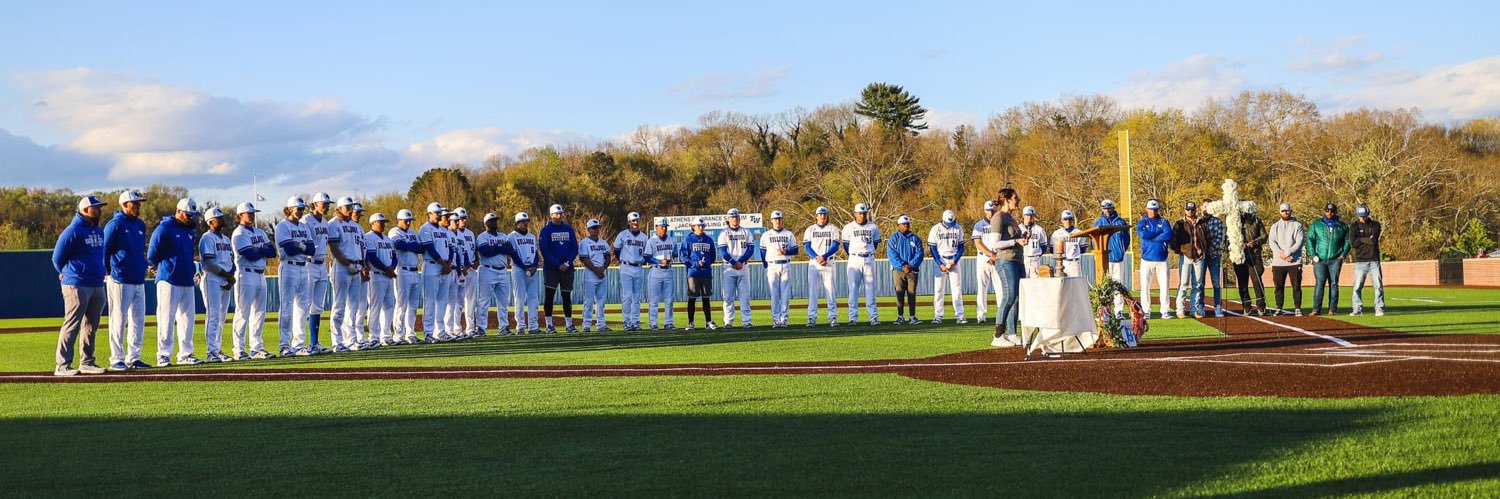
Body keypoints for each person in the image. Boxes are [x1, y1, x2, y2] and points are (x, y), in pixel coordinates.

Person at [52, 195, 109, 376]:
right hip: (76, 283)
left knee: (91, 325)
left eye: (99, 207)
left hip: (96, 283)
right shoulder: (73, 230)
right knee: (72, 324)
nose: (99, 210)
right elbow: (57, 258)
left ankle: (87, 362)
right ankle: (62, 365)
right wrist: (68, 273)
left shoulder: (99, 230)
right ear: (85, 210)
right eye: (96, 207)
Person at [147, 198, 203, 366]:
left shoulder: (190, 229)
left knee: (187, 319)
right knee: (166, 318)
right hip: (169, 279)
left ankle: (186, 354)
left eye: (192, 215)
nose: (190, 218)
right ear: (179, 211)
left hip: (186, 278)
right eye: (188, 214)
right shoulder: (165, 228)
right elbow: (152, 254)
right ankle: (163, 355)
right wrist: (162, 267)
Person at [103, 189, 149, 370]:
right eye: (135, 203)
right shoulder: (115, 224)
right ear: (124, 204)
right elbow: (104, 250)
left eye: (139, 203)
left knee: (138, 319)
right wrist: (106, 270)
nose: (138, 205)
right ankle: (116, 358)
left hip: (138, 277)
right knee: (118, 318)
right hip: (120, 277)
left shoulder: (140, 224)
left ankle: (134, 357)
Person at [230, 202, 275, 360]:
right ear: (239, 216)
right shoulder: (238, 233)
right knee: (243, 313)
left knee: (259, 313)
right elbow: (250, 254)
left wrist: (259, 249)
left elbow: (272, 252)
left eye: (252, 213)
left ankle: (256, 348)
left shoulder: (260, 231)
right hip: (245, 274)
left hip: (260, 274)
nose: (251, 215)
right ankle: (239, 349)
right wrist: (261, 250)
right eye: (248, 213)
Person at [275, 197, 315, 355]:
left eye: (302, 208)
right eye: (298, 208)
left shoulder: (305, 226)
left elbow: (312, 250)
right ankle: (284, 345)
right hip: (288, 266)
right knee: (286, 307)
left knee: (303, 307)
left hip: (303, 267)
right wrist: (300, 246)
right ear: (289, 209)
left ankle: (299, 344)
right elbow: (289, 250)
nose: (301, 211)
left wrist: (298, 244)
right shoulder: (282, 226)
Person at [198, 206, 237, 363]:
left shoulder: (226, 239)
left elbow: (231, 261)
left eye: (222, 217)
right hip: (212, 278)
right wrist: (228, 276)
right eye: (218, 218)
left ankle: (217, 349)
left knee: (221, 317)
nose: (222, 219)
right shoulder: (207, 238)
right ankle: (211, 352)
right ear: (210, 222)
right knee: (213, 315)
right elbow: (209, 263)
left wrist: (230, 277)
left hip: (224, 279)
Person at [989, 188, 1027, 347]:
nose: (1018, 200)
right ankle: (998, 335)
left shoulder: (1011, 218)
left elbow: (1014, 238)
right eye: (1015, 198)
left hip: (1017, 260)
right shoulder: (998, 218)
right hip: (1006, 261)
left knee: (1017, 298)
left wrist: (1022, 238)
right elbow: (994, 244)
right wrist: (1015, 242)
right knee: (1009, 296)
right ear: (1006, 200)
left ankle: (1012, 334)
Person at [327, 197, 364, 351]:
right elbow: (334, 249)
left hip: (356, 266)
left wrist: (360, 265)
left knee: (353, 306)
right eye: (347, 207)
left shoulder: (355, 226)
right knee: (339, 305)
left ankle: (350, 340)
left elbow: (360, 248)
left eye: (351, 207)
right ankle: (337, 341)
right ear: (339, 208)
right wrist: (348, 264)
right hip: (342, 267)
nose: (350, 209)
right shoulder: (333, 224)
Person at [301, 192, 334, 354]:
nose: (327, 206)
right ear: (314, 204)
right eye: (324, 204)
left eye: (328, 204)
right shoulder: (305, 221)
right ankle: (299, 344)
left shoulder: (326, 222)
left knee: (318, 306)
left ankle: (314, 343)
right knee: (304, 305)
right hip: (309, 264)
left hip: (322, 265)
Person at [475, 212, 518, 336]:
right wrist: (500, 247)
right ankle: (481, 328)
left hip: (502, 270)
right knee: (484, 301)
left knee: (503, 302)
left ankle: (504, 327)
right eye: (491, 221)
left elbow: (510, 250)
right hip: (487, 270)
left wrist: (495, 247)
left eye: (495, 220)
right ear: (485, 224)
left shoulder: (503, 235)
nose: (494, 223)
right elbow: (485, 252)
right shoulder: (482, 237)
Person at [539, 204, 579, 334]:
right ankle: (549, 325)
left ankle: (569, 324)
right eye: (556, 214)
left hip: (567, 268)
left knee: (566, 296)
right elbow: (544, 250)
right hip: (551, 268)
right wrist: (558, 264)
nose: (559, 216)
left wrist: (567, 263)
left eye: (560, 213)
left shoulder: (568, 229)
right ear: (551, 215)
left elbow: (574, 248)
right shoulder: (546, 230)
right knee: (549, 296)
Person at [418, 202, 455, 342]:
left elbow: (451, 248)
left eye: (440, 213)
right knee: (430, 301)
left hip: (445, 267)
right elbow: (430, 249)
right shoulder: (425, 228)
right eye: (436, 213)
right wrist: (443, 264)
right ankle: (428, 333)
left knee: (442, 301)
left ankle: (440, 331)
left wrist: (449, 263)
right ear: (429, 214)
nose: (439, 215)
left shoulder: (445, 230)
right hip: (432, 265)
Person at [1307, 203, 1350, 316]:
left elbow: (1347, 241)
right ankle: (1316, 309)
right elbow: (1310, 239)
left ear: (1335, 212)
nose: (1329, 213)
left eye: (1332, 211)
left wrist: (1343, 255)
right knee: (1320, 283)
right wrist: (1312, 254)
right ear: (1324, 211)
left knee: (1334, 284)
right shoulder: (1317, 224)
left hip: (1335, 259)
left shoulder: (1342, 226)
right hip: (1320, 259)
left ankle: (1332, 309)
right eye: (1327, 211)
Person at [842, 203, 882, 325]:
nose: (862, 215)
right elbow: (846, 245)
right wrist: (855, 254)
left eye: (864, 213)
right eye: (860, 213)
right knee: (853, 289)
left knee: (870, 288)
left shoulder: (873, 227)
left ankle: (873, 317)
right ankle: (852, 318)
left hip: (869, 258)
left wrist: (868, 252)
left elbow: (875, 243)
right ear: (855, 214)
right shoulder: (848, 227)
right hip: (854, 259)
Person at [802, 206, 841, 327]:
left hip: (828, 262)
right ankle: (811, 317)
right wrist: (816, 257)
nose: (822, 216)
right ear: (816, 216)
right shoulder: (810, 229)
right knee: (813, 292)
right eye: (820, 214)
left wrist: (824, 256)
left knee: (831, 291)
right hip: (814, 263)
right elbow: (807, 247)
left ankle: (833, 317)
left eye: (824, 214)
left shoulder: (833, 228)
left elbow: (835, 246)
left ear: (827, 215)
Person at [388, 209, 423, 344]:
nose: (408, 223)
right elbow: (399, 244)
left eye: (409, 220)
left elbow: (421, 248)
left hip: (415, 270)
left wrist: (410, 246)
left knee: (413, 305)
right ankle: (398, 334)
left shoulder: (413, 233)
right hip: (402, 270)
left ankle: (410, 333)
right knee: (402, 304)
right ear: (398, 220)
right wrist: (412, 246)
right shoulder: (394, 231)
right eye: (405, 220)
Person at [717, 208, 756, 328]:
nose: (735, 219)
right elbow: (723, 251)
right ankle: (728, 321)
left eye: (736, 217)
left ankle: (746, 321)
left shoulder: (746, 232)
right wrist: (734, 262)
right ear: (728, 219)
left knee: (745, 296)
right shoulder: (724, 233)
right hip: (729, 268)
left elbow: (750, 249)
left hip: (743, 268)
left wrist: (741, 261)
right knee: (728, 297)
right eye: (732, 217)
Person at [1136, 199, 1174, 319]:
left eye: (1155, 210)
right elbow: (1143, 235)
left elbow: (1168, 234)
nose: (1153, 212)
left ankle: (1165, 311)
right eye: (1151, 209)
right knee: (1145, 286)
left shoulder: (1164, 221)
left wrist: (1152, 237)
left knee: (1164, 286)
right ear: (1146, 209)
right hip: (1146, 259)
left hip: (1162, 259)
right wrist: (1158, 235)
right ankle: (1146, 310)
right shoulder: (1143, 222)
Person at [760, 211, 799, 328]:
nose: (778, 221)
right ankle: (776, 319)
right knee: (774, 294)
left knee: (785, 294)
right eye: (775, 219)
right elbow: (762, 251)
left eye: (779, 219)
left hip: (785, 264)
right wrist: (766, 266)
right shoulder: (766, 235)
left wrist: (786, 252)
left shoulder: (788, 234)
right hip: (772, 265)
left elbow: (796, 250)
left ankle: (784, 319)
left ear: (782, 220)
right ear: (771, 220)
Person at [1171, 202, 1209, 319]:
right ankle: (1180, 310)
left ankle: (1195, 309)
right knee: (1183, 284)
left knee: (1198, 284)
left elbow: (1207, 237)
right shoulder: (1179, 224)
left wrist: (1203, 250)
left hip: (1199, 256)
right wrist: (1181, 251)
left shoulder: (1202, 223)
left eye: (1192, 210)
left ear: (1195, 210)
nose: (1190, 212)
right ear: (1184, 210)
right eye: (1188, 209)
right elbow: (1173, 240)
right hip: (1186, 256)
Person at [612, 212, 649, 331]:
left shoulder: (644, 237)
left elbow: (647, 253)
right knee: (627, 296)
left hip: (638, 267)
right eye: (633, 220)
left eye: (637, 220)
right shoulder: (622, 235)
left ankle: (635, 322)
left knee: (637, 297)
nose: (635, 222)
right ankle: (626, 321)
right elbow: (616, 250)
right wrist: (623, 260)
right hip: (626, 267)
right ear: (628, 222)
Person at [679, 218, 718, 330]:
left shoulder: (708, 239)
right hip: (694, 272)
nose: (701, 227)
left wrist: (706, 263)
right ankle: (690, 323)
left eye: (702, 225)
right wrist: (696, 263)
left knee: (706, 298)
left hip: (706, 272)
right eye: (698, 225)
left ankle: (708, 322)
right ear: (693, 226)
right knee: (692, 297)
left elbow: (713, 256)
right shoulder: (688, 239)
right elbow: (683, 257)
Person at [365, 213, 397, 345]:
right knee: (375, 307)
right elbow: (372, 257)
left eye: (384, 221)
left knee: (389, 306)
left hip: (388, 276)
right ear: (373, 223)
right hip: (376, 275)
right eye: (380, 222)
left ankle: (386, 336)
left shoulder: (388, 239)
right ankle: (373, 337)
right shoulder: (369, 237)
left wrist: (392, 268)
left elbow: (394, 257)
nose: (383, 224)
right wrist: (387, 269)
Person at [928, 210, 965, 323]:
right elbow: (932, 248)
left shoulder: (958, 228)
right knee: (939, 290)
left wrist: (955, 260)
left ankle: (960, 315)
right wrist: (940, 263)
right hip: (941, 259)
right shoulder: (935, 229)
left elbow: (961, 246)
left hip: (954, 259)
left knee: (957, 290)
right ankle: (938, 316)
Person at [1269, 203, 1306, 316]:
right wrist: (1282, 255)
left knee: (1296, 286)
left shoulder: (1297, 225)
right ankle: (1279, 308)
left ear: (1291, 211)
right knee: (1278, 287)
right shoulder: (1275, 226)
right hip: (1278, 262)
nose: (1285, 212)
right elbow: (1272, 242)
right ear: (1280, 212)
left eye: (1287, 210)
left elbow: (1299, 242)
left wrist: (1288, 253)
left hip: (1294, 261)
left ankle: (1297, 308)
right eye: (1283, 211)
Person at [1095, 199, 1132, 313]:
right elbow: (1093, 241)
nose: (1107, 210)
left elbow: (1126, 240)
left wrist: (1121, 251)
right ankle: (1104, 311)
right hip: (1104, 259)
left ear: (1113, 208)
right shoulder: (1098, 223)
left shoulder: (1120, 222)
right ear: (1101, 209)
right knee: (1104, 286)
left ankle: (1118, 311)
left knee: (1118, 285)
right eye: (1105, 208)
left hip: (1117, 258)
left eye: (1109, 208)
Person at [1233, 202, 1269, 316]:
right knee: (1243, 283)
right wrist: (1238, 244)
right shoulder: (1234, 223)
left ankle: (1261, 306)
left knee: (1257, 280)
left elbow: (1264, 236)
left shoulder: (1257, 221)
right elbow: (1228, 239)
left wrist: (1255, 242)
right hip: (1240, 256)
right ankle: (1246, 306)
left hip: (1254, 255)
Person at [509, 212, 542, 334]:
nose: (524, 223)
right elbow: (513, 254)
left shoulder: (532, 236)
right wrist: (524, 267)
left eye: (526, 221)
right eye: (522, 222)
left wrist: (534, 266)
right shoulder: (511, 237)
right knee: (519, 298)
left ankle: (533, 326)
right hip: (518, 269)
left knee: (533, 298)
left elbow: (535, 254)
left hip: (532, 270)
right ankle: (520, 326)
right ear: (516, 223)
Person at [888, 215, 924, 325]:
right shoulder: (893, 239)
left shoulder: (915, 238)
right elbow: (892, 255)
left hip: (912, 270)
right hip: (898, 270)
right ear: (898, 225)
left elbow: (920, 254)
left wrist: (911, 265)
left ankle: (912, 317)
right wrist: (903, 265)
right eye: (904, 224)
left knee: (912, 293)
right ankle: (900, 317)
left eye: (908, 224)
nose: (906, 225)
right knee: (899, 292)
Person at [1349, 205, 1385, 317]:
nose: (1362, 218)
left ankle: (1379, 308)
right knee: (1357, 286)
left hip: (1374, 260)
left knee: (1378, 285)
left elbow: (1373, 240)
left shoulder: (1375, 225)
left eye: (1364, 216)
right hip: (1360, 261)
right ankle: (1357, 309)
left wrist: (1360, 239)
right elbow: (1353, 243)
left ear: (1368, 215)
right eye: (1360, 216)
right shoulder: (1354, 227)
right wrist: (1366, 239)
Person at [576, 219, 610, 333]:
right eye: (594, 228)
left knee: (601, 301)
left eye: (598, 227)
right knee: (588, 301)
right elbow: (585, 259)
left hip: (601, 273)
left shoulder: (603, 242)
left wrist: (603, 268)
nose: (597, 229)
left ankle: (601, 324)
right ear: (589, 229)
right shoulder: (584, 243)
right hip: (590, 274)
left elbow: (608, 257)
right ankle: (586, 324)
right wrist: (596, 271)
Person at [645, 218, 678, 330]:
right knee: (654, 299)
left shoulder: (672, 240)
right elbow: (647, 257)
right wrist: (659, 261)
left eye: (665, 226)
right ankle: (653, 323)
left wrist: (669, 260)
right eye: (662, 226)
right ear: (656, 227)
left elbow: (675, 254)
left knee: (669, 299)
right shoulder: (651, 241)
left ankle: (668, 322)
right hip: (655, 270)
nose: (664, 228)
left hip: (668, 270)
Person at [972, 201, 1001, 325]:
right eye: (988, 210)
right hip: (984, 258)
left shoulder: (1000, 224)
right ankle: (981, 315)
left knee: (999, 288)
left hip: (997, 258)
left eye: (993, 210)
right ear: (984, 210)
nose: (990, 213)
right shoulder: (979, 225)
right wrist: (991, 254)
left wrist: (995, 256)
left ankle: (1001, 315)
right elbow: (978, 243)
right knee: (982, 288)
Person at [1198, 198, 1227, 317]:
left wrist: (1208, 248)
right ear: (1201, 208)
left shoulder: (1217, 222)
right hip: (1201, 257)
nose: (1206, 208)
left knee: (1216, 282)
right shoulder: (1198, 222)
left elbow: (1219, 239)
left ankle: (1218, 306)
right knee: (1200, 283)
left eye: (1209, 206)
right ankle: (1200, 306)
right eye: (1205, 206)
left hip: (1214, 255)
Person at [1050, 210, 1090, 277]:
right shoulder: (1056, 233)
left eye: (1070, 219)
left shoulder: (1079, 232)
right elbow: (1052, 249)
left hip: (1074, 262)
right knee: (1062, 284)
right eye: (1065, 219)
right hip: (1062, 262)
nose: (1068, 221)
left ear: (1072, 220)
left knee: (1076, 284)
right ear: (1062, 220)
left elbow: (1083, 249)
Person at [1019, 206, 1050, 278]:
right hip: (1023, 259)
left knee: (1035, 283)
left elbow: (1044, 247)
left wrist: (1037, 255)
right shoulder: (1019, 228)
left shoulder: (1039, 229)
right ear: (1023, 216)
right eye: (1028, 215)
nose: (1030, 217)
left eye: (1032, 215)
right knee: (1022, 282)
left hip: (1035, 259)